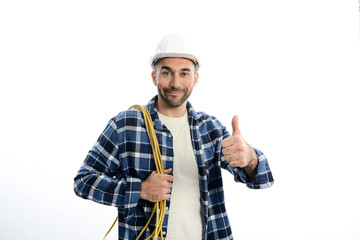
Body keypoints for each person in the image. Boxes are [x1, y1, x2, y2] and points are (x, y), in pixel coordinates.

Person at [74, 33, 274, 240]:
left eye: (185, 73)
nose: (176, 83)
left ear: (195, 78)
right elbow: (83, 181)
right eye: (167, 73)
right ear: (154, 77)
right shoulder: (126, 125)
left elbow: (261, 179)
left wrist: (250, 157)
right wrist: (140, 189)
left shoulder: (211, 129)